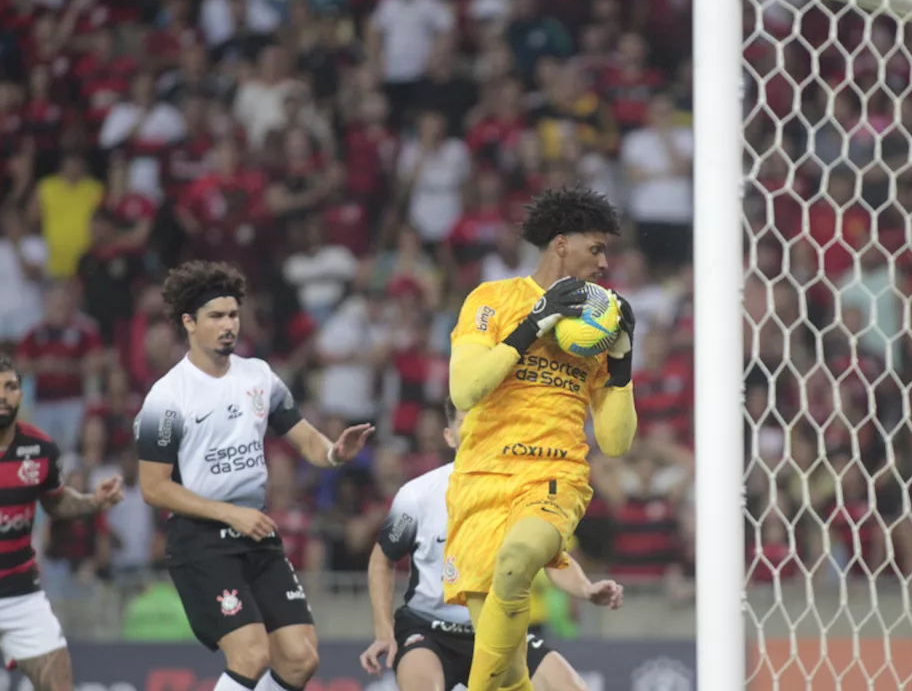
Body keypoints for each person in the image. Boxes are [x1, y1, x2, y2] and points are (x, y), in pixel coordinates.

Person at [135, 261, 374, 691]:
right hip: (201, 542)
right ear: (189, 322)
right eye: (216, 316)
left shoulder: (258, 376)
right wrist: (228, 513)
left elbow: (306, 440)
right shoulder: (167, 396)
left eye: (233, 314)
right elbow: (153, 487)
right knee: (250, 653)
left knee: (300, 658)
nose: (229, 325)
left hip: (256, 535)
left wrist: (335, 453)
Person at [444, 187, 638, 691]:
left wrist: (622, 364)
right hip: (480, 479)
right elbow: (465, 388)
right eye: (595, 248)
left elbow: (615, 443)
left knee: (516, 561)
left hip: (553, 476)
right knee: (509, 675)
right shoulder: (492, 300)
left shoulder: (600, 326)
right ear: (560, 244)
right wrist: (533, 325)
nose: (604, 260)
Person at [360, 400, 624, 690]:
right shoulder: (418, 495)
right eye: (466, 423)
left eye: (485, 421)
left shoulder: (522, 492)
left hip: (497, 627)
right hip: (429, 631)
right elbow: (381, 560)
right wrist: (383, 631)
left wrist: (587, 588)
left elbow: (553, 557)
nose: (477, 429)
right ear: (449, 436)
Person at [0, 352, 125, 691]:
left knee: (59, 685)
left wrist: (94, 501)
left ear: (21, 395)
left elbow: (56, 502)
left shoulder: (39, 448)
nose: (1, 395)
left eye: (10, 387)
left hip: (20, 594)